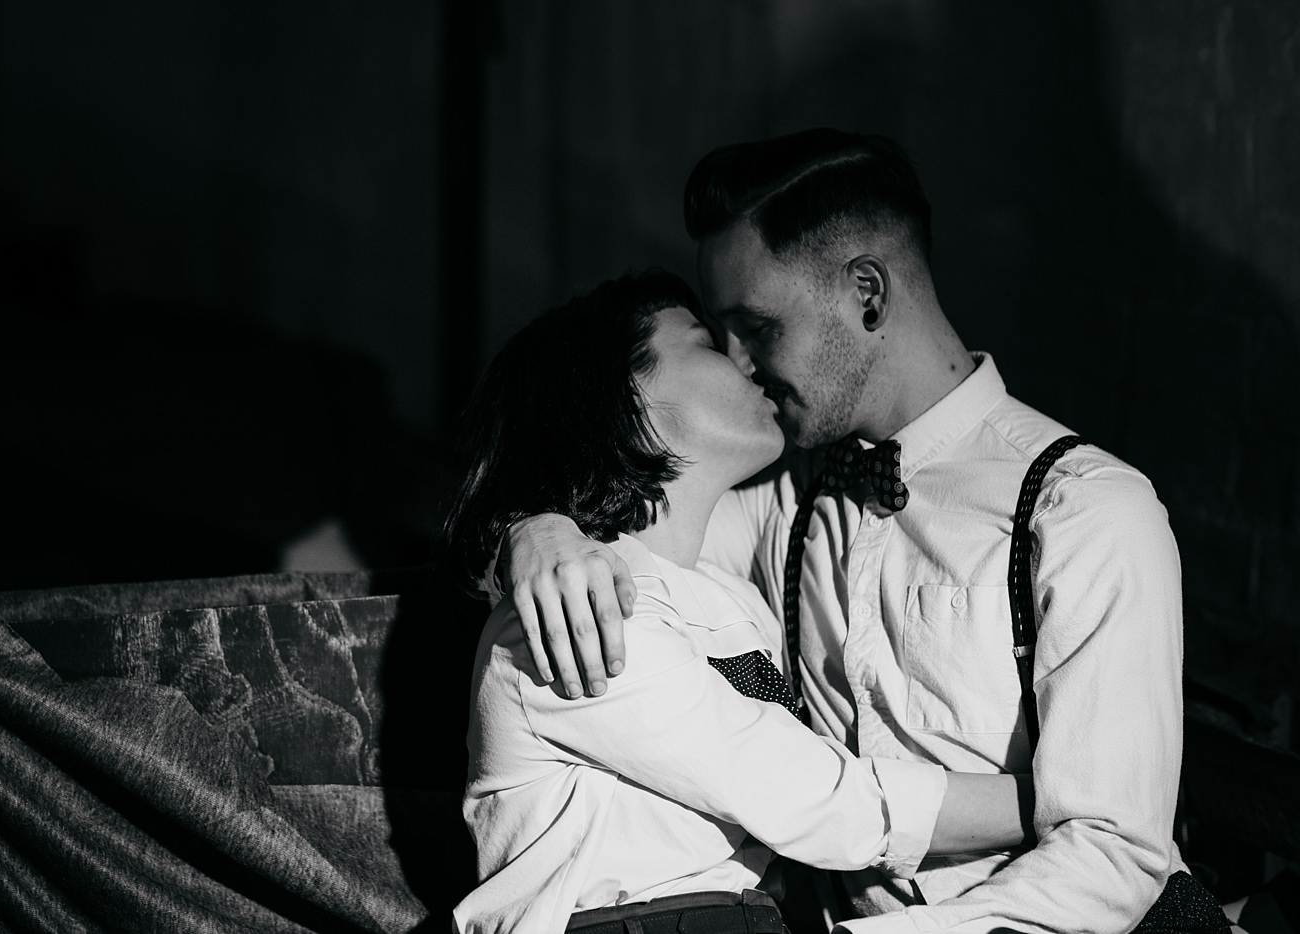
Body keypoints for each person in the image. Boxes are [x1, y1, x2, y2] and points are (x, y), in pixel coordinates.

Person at [497, 130, 1231, 932]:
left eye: (758, 326)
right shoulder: (786, 502)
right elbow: (637, 528)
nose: (741, 362)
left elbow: (1112, 860)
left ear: (868, 297)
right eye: (719, 335)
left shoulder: (1085, 512)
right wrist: (538, 528)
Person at [442, 270, 1030, 934]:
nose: (750, 360)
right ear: (623, 399)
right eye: (708, 343)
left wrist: (534, 525)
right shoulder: (581, 611)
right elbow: (818, 800)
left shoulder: (729, 590)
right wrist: (1053, 801)